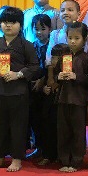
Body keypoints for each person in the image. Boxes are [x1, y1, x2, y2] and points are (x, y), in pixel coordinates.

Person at [0, 7, 42, 172]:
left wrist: (19, 74)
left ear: (20, 25)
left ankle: (17, 159)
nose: (8, 25)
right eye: (5, 22)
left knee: (18, 126)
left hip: (18, 92)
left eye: (13, 22)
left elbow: (35, 67)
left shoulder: (26, 45)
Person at [55, 21, 88, 172]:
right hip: (63, 99)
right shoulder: (64, 56)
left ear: (84, 39)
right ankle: (64, 160)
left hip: (79, 100)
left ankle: (76, 161)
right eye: (70, 38)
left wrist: (77, 77)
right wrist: (59, 76)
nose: (73, 41)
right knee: (63, 131)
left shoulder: (86, 58)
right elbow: (55, 74)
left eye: (77, 38)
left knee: (78, 132)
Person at [29, 14, 57, 165]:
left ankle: (49, 152)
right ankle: (38, 148)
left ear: (50, 29)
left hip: (48, 88)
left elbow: (53, 67)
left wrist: (44, 81)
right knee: (35, 119)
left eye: (43, 29)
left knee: (48, 121)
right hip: (34, 89)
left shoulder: (53, 46)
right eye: (36, 29)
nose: (39, 32)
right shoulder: (31, 46)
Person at [45, 0, 81, 66]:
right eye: (62, 10)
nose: (65, 13)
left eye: (70, 10)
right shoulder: (55, 34)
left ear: (78, 14)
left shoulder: (84, 33)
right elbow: (49, 58)